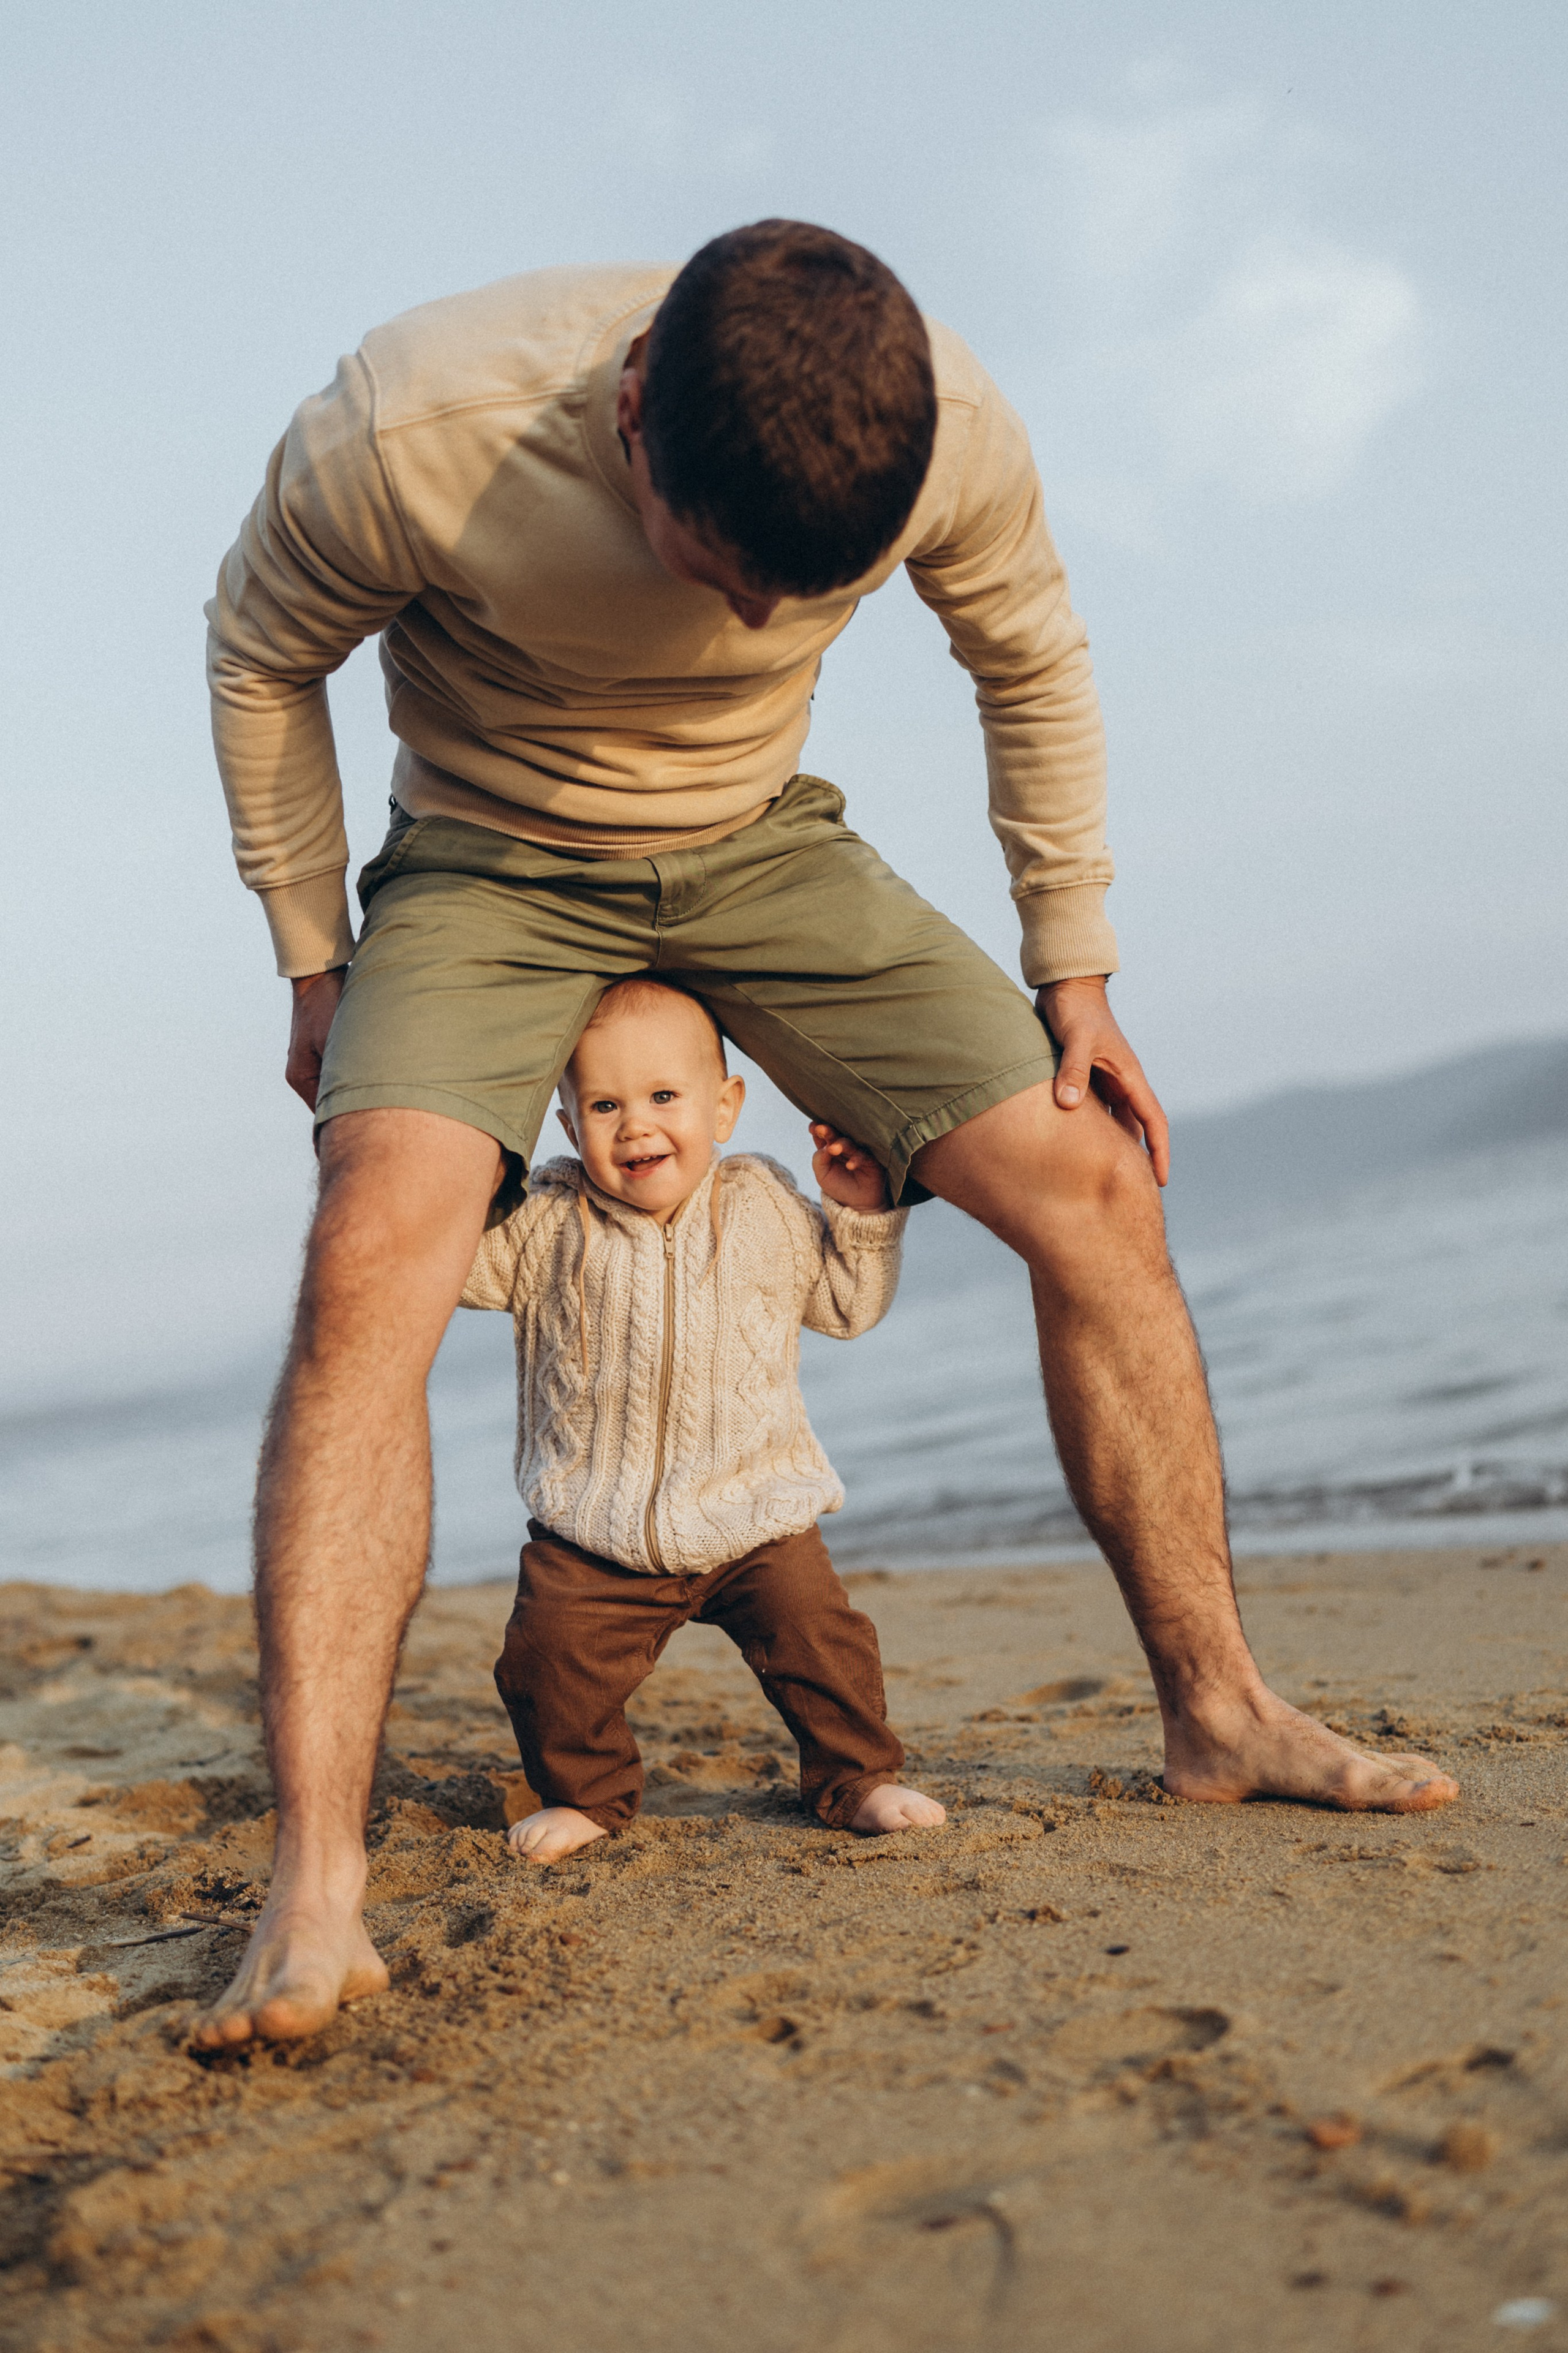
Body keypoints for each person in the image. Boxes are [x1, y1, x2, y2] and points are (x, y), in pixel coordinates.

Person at [194, 219, 1458, 2052]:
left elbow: (1027, 658)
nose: (766, 630)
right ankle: (314, 1890)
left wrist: (1075, 965)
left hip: (764, 845)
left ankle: (1224, 1710)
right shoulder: (414, 431)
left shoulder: (947, 427)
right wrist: (315, 954)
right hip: (487, 860)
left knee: (1098, 1178)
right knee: (369, 1254)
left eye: (813, 600)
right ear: (636, 419)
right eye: (729, 580)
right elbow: (258, 655)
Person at [463, 975, 944, 1863]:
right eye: (604, 1104)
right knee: (545, 1661)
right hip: (592, 1529)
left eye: (662, 1097)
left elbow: (845, 1304)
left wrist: (862, 1213)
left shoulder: (762, 1203)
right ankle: (588, 1794)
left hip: (757, 1515)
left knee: (824, 1644)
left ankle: (858, 1777)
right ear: (567, 1124)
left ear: (723, 1107)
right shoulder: (547, 1221)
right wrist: (461, 1177)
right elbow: (457, 1265)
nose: (635, 1126)